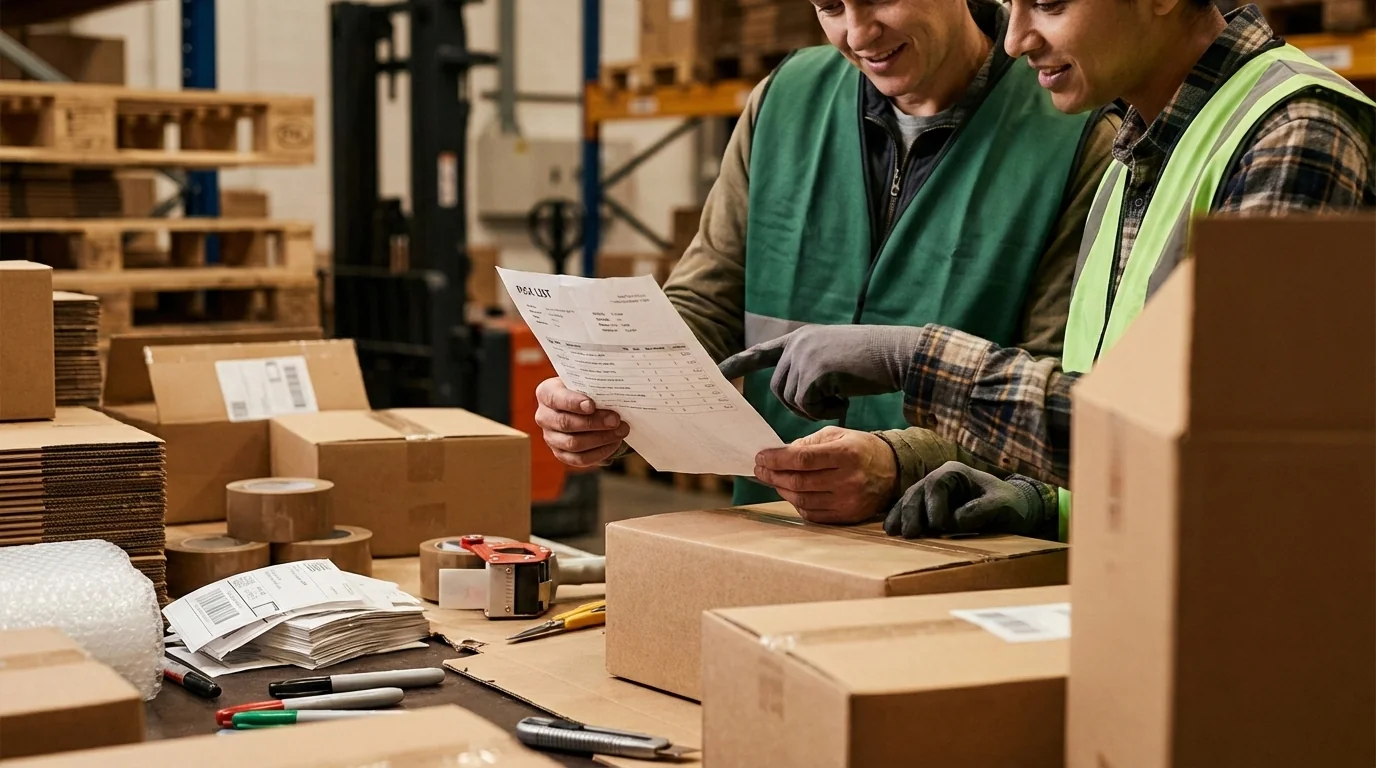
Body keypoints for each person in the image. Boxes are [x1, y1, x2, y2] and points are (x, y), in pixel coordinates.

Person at [719, 0, 1375, 540]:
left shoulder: (1297, 135)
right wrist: (1035, 498)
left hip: (1243, 629)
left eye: (1050, 5)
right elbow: (1114, 410)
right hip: (1137, 586)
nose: (1014, 39)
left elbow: (1224, 451)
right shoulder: (1137, 153)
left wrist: (917, 361)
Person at [535, 0, 1120, 518]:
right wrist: (608, 402)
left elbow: (1064, 396)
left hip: (956, 547)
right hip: (774, 525)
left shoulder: (1077, 133)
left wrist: (901, 460)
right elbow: (706, 299)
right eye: (830, 6)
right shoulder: (783, 102)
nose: (859, 33)